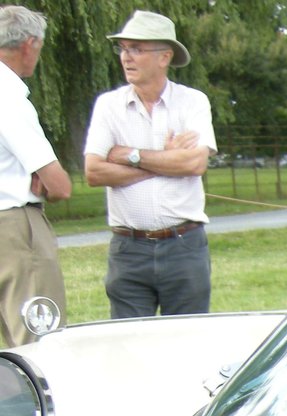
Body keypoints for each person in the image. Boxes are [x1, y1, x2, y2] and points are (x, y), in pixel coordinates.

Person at [83, 10, 214, 317]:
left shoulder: (193, 102)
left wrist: (130, 155)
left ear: (164, 57)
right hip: (129, 249)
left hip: (184, 245)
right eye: (123, 48)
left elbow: (195, 163)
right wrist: (165, 159)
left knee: (186, 342)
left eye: (137, 49)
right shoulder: (108, 105)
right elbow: (93, 171)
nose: (126, 57)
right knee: (127, 347)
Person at [0, 6, 70, 347]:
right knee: (39, 343)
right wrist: (50, 181)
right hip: (15, 228)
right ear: (30, 44)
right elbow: (58, 184)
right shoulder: (8, 96)